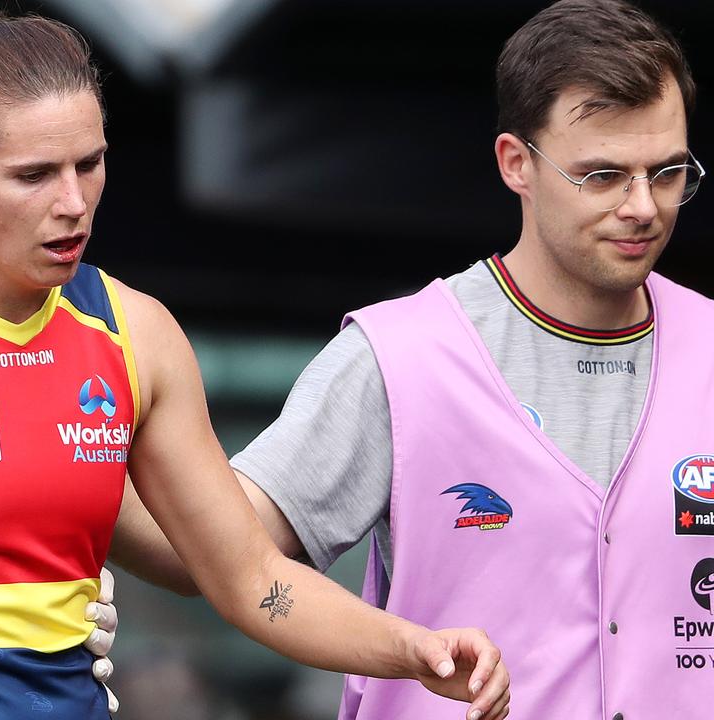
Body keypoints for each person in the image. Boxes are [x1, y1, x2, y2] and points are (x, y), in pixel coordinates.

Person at [0, 3, 511, 720]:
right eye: (35, 174)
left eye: (91, 163)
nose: (74, 201)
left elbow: (253, 580)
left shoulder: (134, 334)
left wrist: (410, 647)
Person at [110, 1, 709, 718]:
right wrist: (55, 468)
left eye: (667, 171)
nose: (644, 207)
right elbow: (208, 553)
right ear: (516, 163)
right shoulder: (402, 359)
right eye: (603, 176)